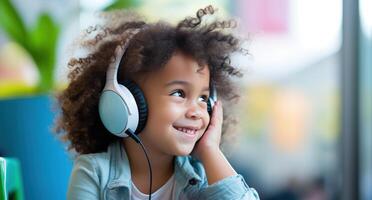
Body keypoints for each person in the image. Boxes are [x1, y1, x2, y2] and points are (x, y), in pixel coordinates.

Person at [54, 5, 259, 200]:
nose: (197, 111)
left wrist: (210, 150)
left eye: (203, 98)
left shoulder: (203, 174)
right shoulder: (94, 172)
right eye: (179, 93)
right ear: (128, 103)